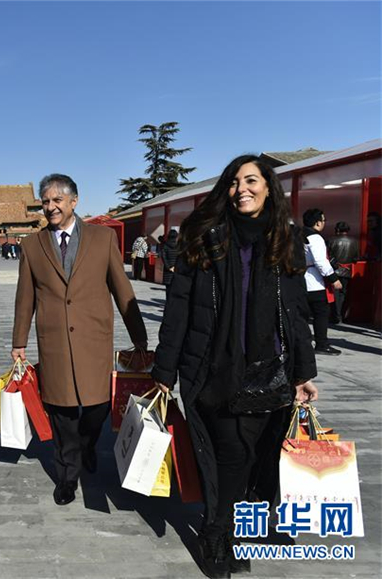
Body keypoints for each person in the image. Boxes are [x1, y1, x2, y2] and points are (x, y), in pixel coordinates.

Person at [152, 155, 318, 578]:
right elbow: (179, 306)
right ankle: (215, 533)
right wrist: (164, 371)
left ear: (268, 188)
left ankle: (228, 528)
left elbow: (297, 311)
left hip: (269, 368)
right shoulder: (203, 235)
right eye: (234, 181)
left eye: (251, 180)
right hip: (213, 366)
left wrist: (305, 372)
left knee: (249, 456)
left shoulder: (286, 239)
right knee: (229, 452)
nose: (241, 188)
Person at [12, 173, 147, 507]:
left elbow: (122, 290)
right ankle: (67, 475)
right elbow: (25, 297)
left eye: (57, 200)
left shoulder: (102, 240)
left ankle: (88, 444)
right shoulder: (32, 246)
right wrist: (19, 342)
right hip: (54, 340)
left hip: (93, 340)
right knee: (61, 413)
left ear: (74, 201)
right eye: (45, 201)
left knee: (97, 407)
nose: (50, 207)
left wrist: (139, 337)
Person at [302, 208, 342, 355]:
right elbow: (321, 262)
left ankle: (301, 343)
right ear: (318, 222)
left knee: (302, 316)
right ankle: (322, 343)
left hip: (301, 280)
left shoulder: (299, 235)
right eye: (323, 220)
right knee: (321, 314)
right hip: (315, 282)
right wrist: (334, 279)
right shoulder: (316, 238)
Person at [328, 221, 359, 324]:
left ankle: (336, 315)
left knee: (334, 293)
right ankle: (340, 315)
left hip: (334, 270)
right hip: (347, 271)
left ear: (337, 230)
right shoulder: (354, 241)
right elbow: (356, 258)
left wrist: (335, 264)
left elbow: (328, 256)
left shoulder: (331, 240)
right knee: (343, 293)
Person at [160, 229, 180, 298]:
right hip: (176, 269)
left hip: (168, 270)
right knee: (175, 288)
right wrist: (176, 266)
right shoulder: (179, 246)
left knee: (168, 289)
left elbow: (163, 257)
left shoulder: (165, 246)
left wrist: (168, 267)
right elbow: (180, 257)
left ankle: (168, 303)